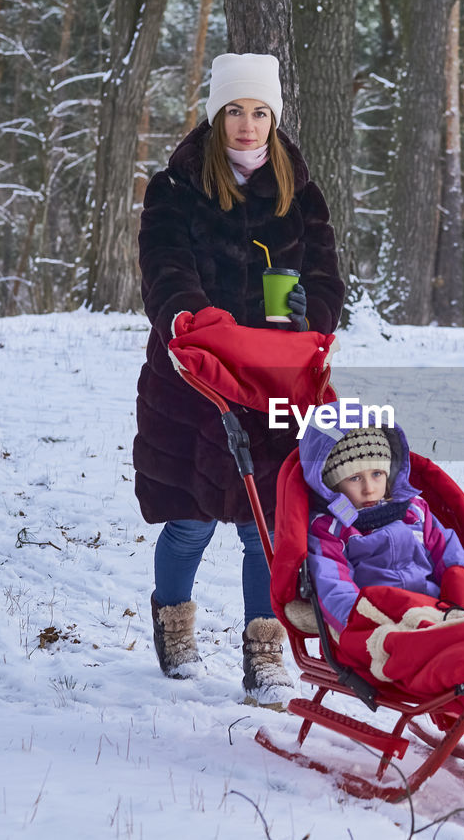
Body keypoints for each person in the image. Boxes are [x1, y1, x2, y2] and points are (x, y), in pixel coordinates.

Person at [134, 53, 345, 706]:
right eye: (235, 110)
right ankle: (174, 625)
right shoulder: (176, 190)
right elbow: (166, 274)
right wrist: (197, 328)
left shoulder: (298, 193)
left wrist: (313, 312)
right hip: (194, 378)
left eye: (259, 112)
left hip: (274, 382)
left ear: (274, 118)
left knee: (264, 522)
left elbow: (326, 278)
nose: (248, 125)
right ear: (216, 114)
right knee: (192, 519)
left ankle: (264, 654)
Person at [297, 411, 464, 636]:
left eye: (377, 474)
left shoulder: (414, 512)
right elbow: (334, 585)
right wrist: (365, 623)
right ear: (331, 486)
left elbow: (454, 560)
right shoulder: (330, 530)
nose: (369, 488)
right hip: (378, 623)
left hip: (435, 611)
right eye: (354, 478)